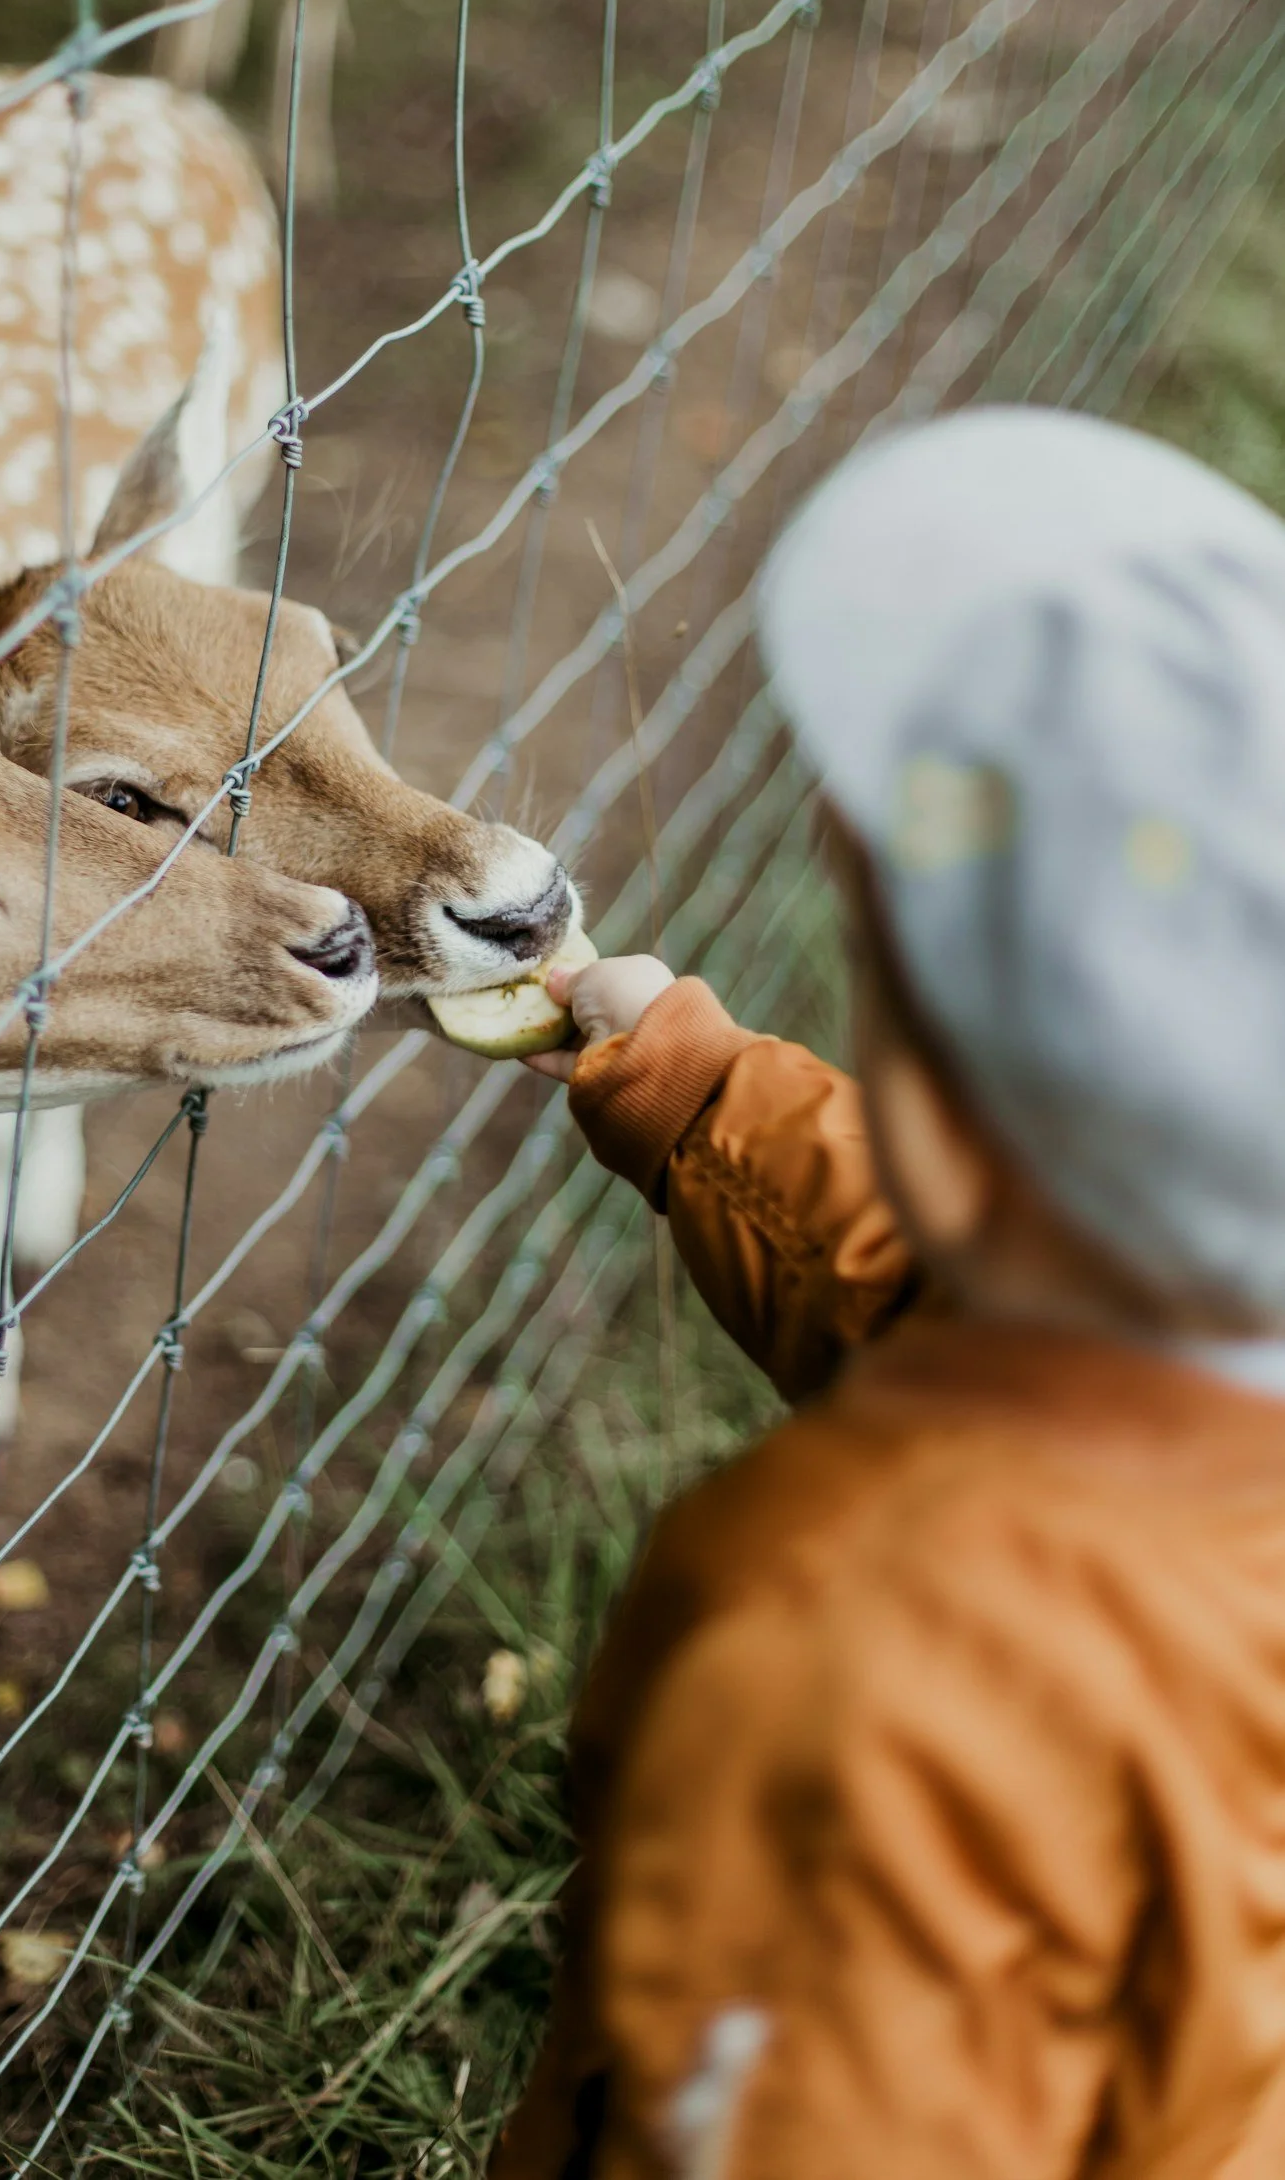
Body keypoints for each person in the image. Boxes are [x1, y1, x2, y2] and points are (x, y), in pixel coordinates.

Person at [492, 407, 1285, 2180]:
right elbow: (963, 1308)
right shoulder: (1204, 1378)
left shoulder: (867, 1660)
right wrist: (696, 1090)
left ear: (946, 1094)